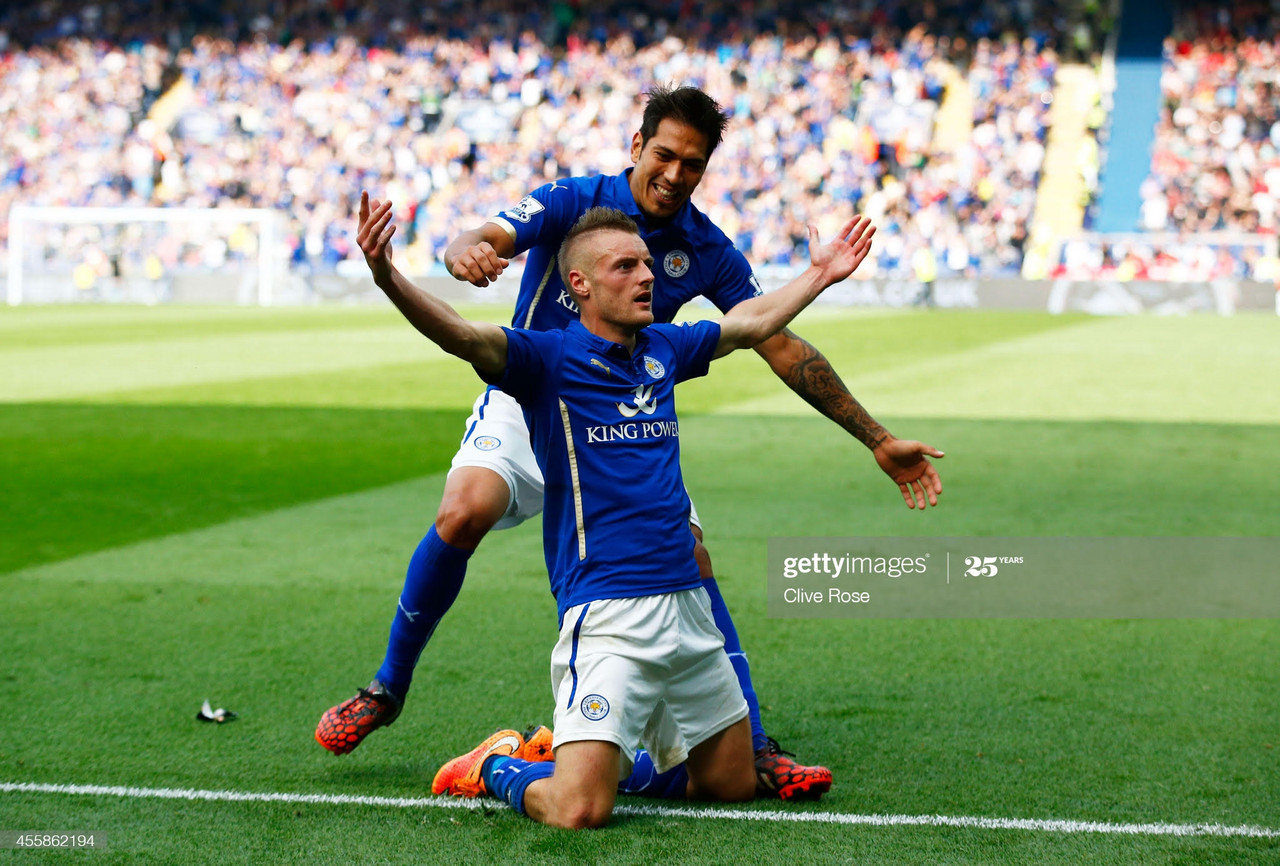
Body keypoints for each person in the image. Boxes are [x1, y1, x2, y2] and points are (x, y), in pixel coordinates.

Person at [315, 87, 944, 800]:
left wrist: (876, 437)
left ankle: (751, 746)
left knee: (691, 550)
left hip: (622, 418)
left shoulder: (706, 250)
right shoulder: (575, 199)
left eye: (694, 164)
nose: (676, 174)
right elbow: (484, 239)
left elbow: (768, 336)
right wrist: (467, 254)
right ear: (636, 146)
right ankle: (387, 688)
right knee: (465, 509)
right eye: (666, 155)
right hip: (534, 394)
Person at [361, 201, 877, 827]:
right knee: (578, 810)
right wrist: (388, 276)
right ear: (579, 284)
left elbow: (749, 325)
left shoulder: (665, 347)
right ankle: (498, 765)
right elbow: (462, 334)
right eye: (625, 267)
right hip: (608, 614)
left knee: (730, 785)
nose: (647, 277)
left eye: (648, 264)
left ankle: (587, 757)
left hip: (688, 608)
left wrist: (819, 275)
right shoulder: (545, 360)